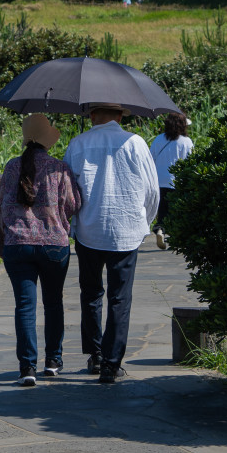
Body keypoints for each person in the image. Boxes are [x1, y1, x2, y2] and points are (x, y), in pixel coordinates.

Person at [63, 102, 160, 385]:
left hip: (89, 230)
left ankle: (94, 354)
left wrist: (72, 224)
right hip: (126, 230)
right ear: (120, 117)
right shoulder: (136, 142)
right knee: (120, 298)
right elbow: (152, 190)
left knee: (91, 294)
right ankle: (111, 362)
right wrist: (146, 223)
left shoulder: (78, 143)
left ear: (92, 116)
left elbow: (68, 192)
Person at [0, 113, 82, 387]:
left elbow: (0, 208)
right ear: (47, 139)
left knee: (25, 306)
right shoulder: (59, 167)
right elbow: (73, 203)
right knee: (53, 303)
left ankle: (27, 367)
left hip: (18, 245)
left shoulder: (11, 167)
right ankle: (53, 361)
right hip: (54, 245)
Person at [148, 111, 194, 249]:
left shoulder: (158, 139)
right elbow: (190, 162)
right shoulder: (186, 142)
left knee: (162, 209)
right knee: (176, 210)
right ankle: (175, 236)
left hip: (159, 181)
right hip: (177, 181)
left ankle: (160, 229)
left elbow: (150, 159)